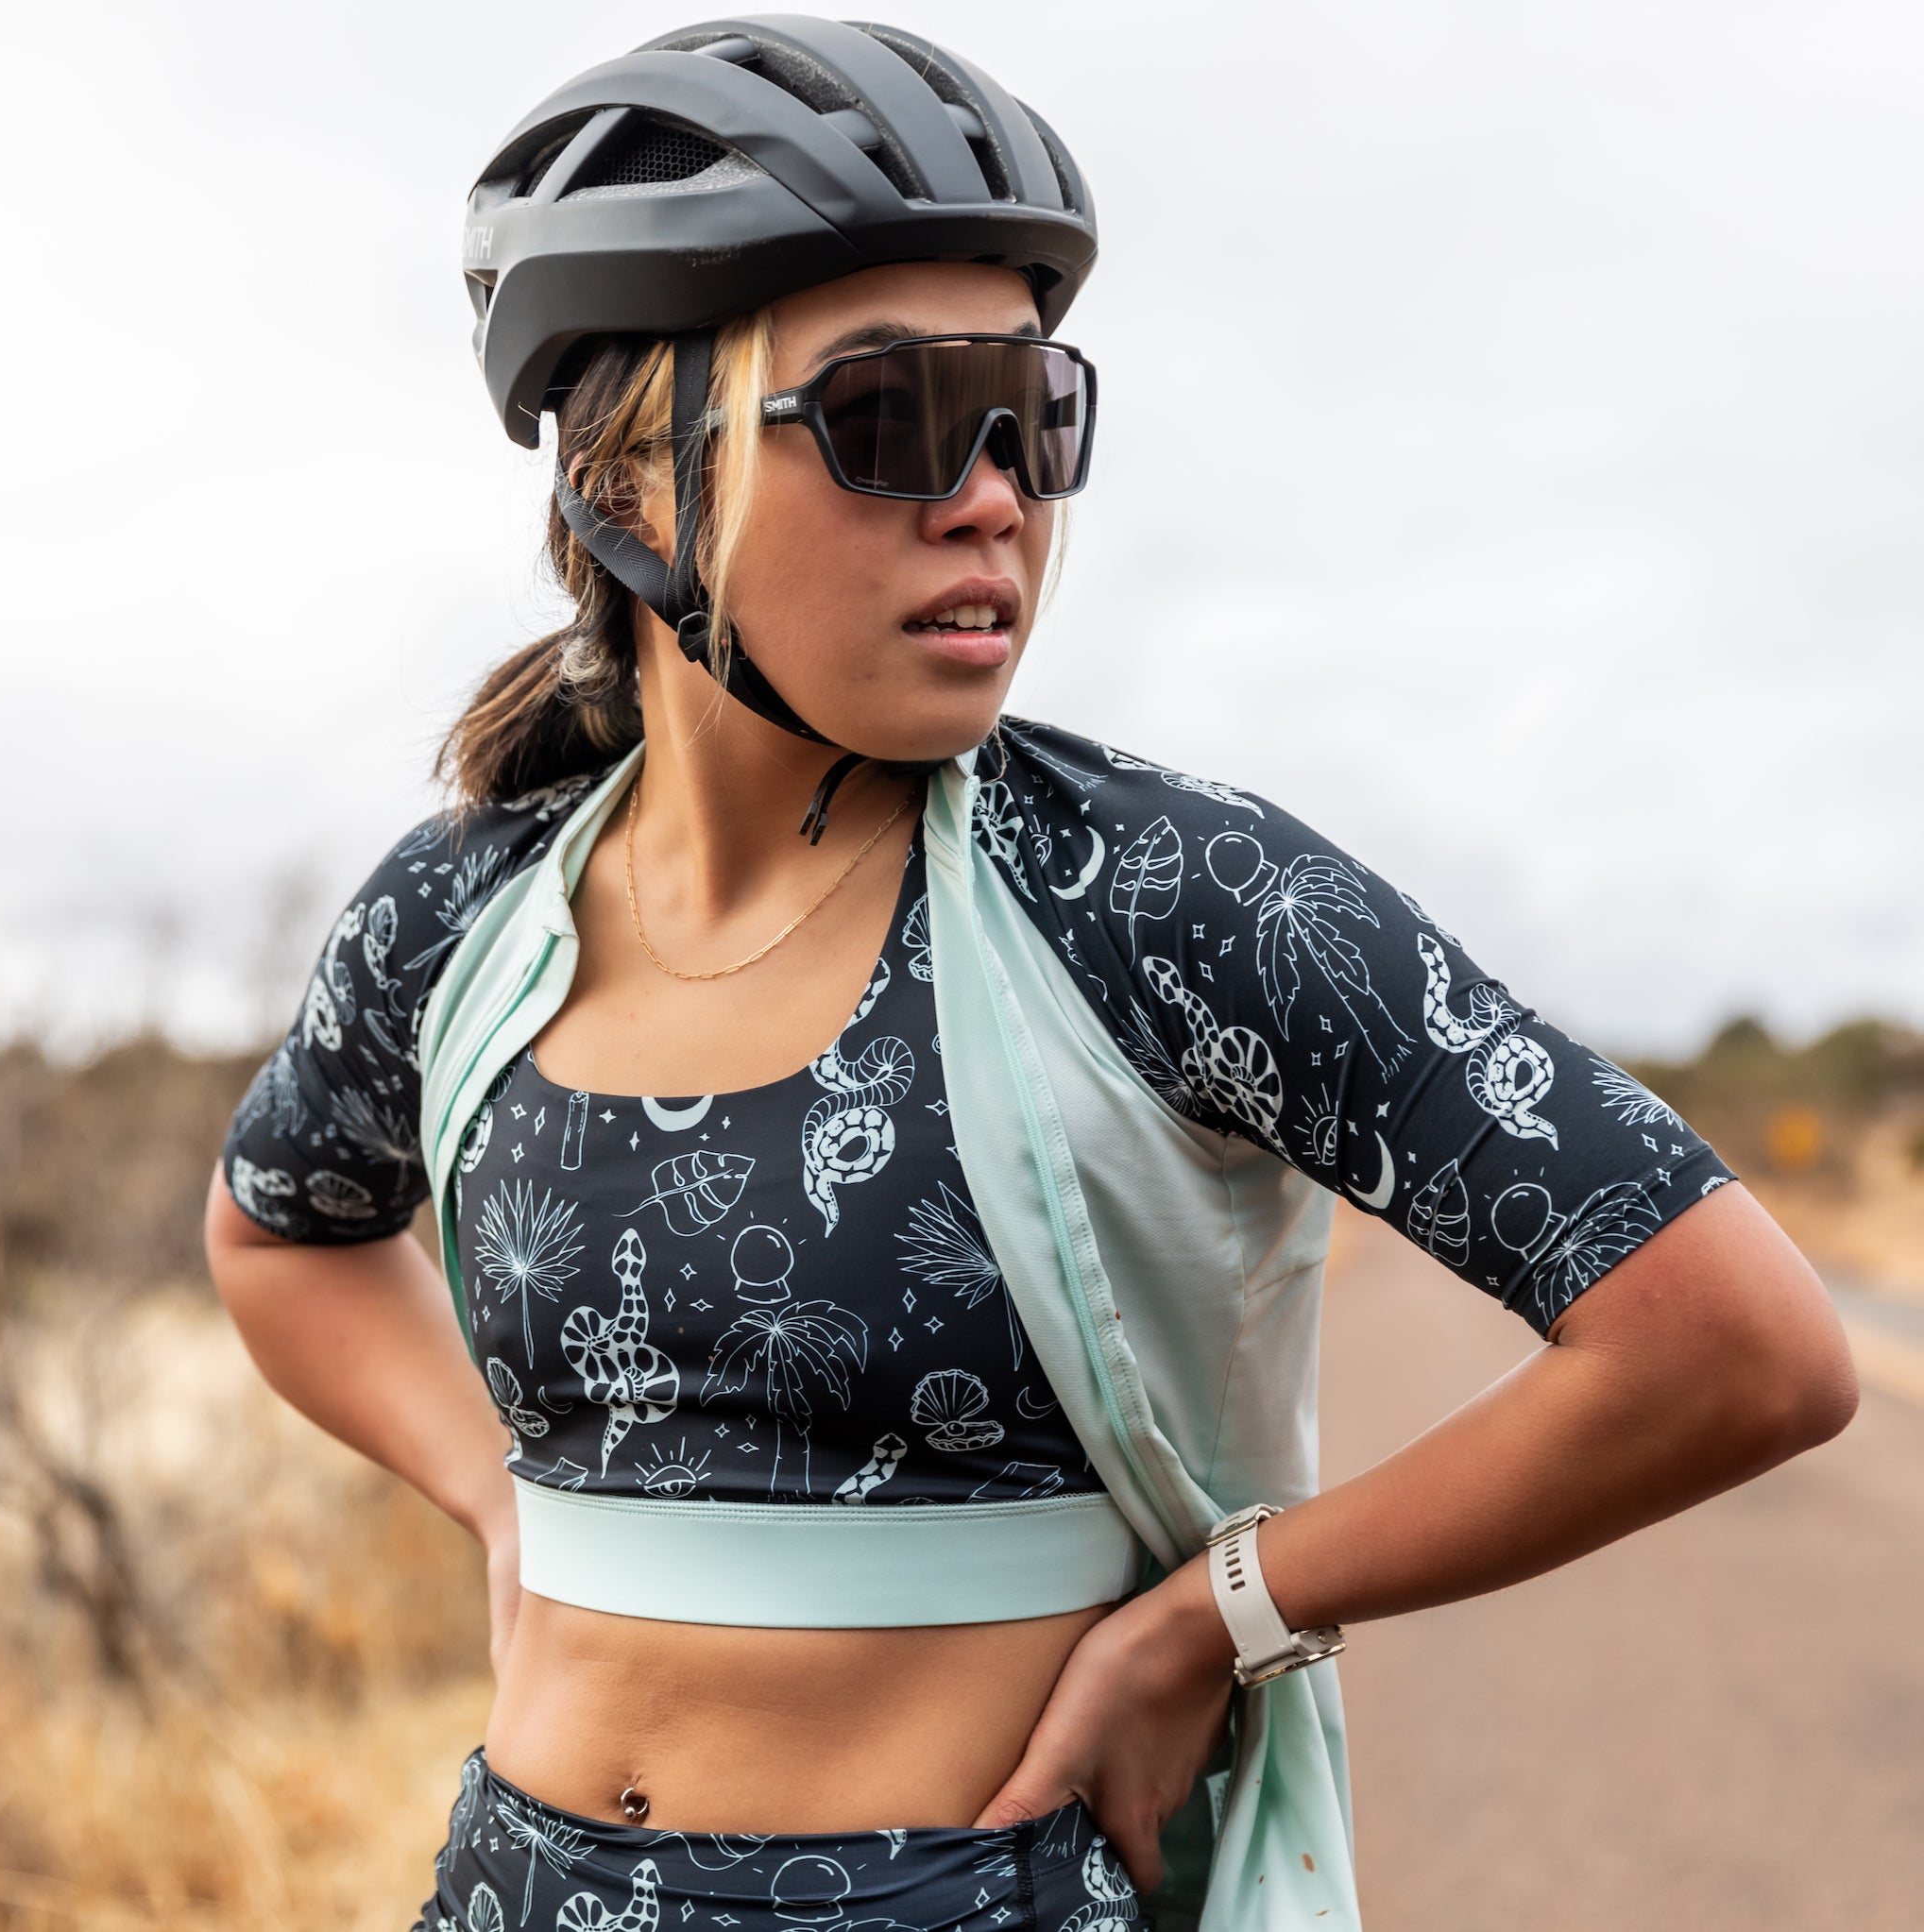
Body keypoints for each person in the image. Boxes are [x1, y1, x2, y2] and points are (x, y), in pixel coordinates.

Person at [204, 16, 1859, 1931]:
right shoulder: (464, 914)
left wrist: (1220, 1616)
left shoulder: (1165, 895)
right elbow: (281, 1234)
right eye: (897, 418)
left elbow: (1737, 1345)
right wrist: (500, 1496)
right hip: (513, 1887)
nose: (992, 493)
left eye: (1033, 416)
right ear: (632, 481)